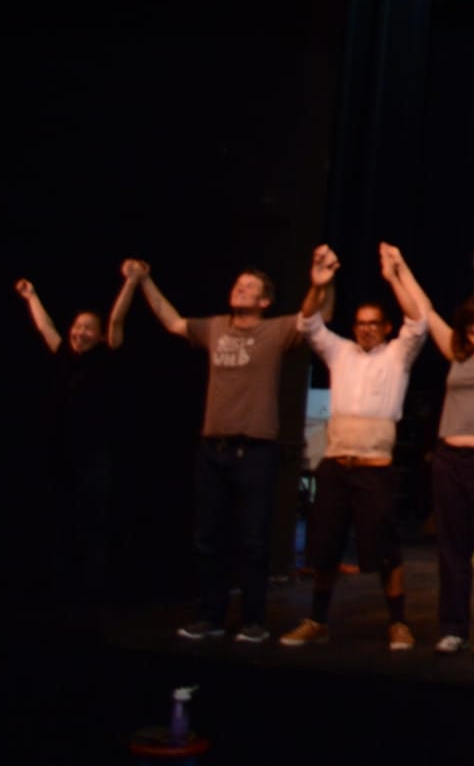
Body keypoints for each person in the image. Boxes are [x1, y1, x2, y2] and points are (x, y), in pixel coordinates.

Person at [142, 246, 337, 643]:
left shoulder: (274, 330)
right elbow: (174, 322)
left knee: (252, 539)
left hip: (256, 450)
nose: (240, 290)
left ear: (264, 300)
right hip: (212, 448)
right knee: (208, 538)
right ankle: (210, 616)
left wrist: (322, 283)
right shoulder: (214, 327)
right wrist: (144, 280)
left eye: (249, 288)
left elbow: (316, 317)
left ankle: (253, 620)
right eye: (238, 285)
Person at [379, 243, 474, 656]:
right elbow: (423, 310)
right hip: (450, 461)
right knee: (452, 549)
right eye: (473, 321)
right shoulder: (455, 352)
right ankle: (453, 627)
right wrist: (400, 267)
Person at [279, 272, 429, 651]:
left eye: (373, 324)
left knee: (384, 549)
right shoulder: (340, 351)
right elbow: (308, 322)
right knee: (325, 547)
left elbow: (419, 321)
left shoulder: (398, 354)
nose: (365, 330)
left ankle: (398, 623)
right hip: (336, 464)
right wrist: (317, 283)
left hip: (374, 468)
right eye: (360, 324)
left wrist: (395, 276)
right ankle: (317, 620)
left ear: (385, 326)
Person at [14, 260, 143, 603]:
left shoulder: (106, 358)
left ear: (99, 336)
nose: (79, 332)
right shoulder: (64, 356)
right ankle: (55, 584)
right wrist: (31, 296)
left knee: (90, 524)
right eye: (77, 326)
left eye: (88, 328)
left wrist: (131, 283)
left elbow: (117, 320)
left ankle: (88, 593)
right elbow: (46, 327)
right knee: (57, 518)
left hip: (94, 455)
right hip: (60, 451)